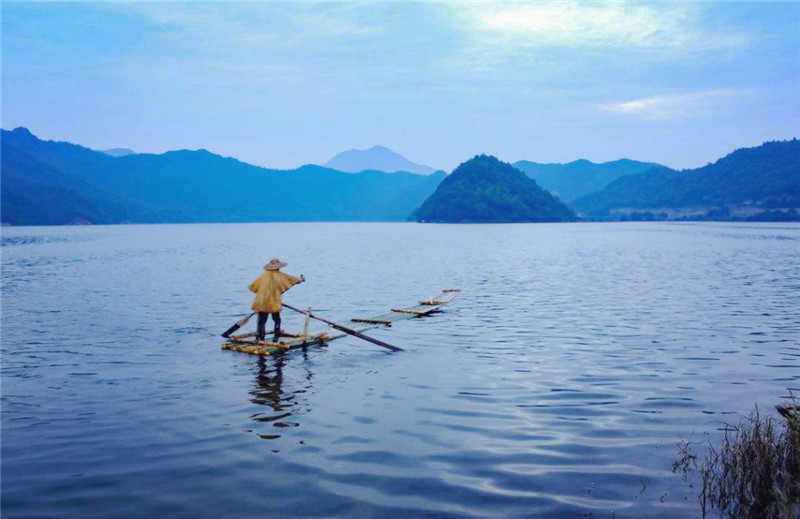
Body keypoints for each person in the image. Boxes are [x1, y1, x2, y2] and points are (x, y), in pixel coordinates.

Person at [249, 258, 305, 342]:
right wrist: (301, 279)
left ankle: (261, 339)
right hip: (273, 301)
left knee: (262, 321)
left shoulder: (262, 276)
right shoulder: (279, 275)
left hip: (261, 301)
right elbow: (293, 280)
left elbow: (253, 287)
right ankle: (276, 337)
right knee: (277, 319)